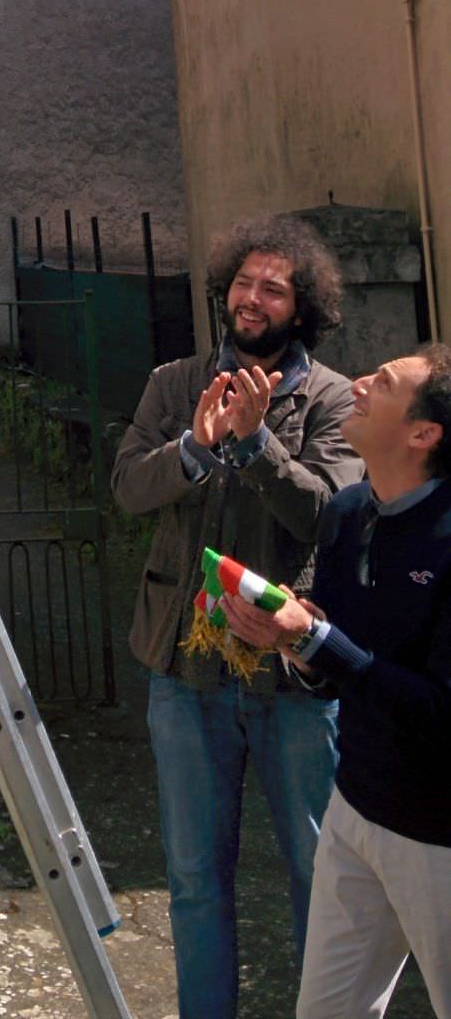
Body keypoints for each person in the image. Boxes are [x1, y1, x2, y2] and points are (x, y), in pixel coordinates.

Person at [111, 214, 362, 1019]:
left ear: (304, 308)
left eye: (274, 288)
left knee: (319, 877)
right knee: (193, 880)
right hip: (186, 677)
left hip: (291, 679)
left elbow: (327, 515)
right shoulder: (173, 383)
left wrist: (256, 448)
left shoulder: (330, 399)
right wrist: (195, 447)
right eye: (245, 283)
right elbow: (128, 490)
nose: (252, 299)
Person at [223, 342, 451, 1019]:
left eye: (381, 383)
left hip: (439, 836)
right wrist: (291, 643)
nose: (356, 383)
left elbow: (439, 712)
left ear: (422, 433)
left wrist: (313, 639)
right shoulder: (350, 513)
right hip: (354, 810)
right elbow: (340, 667)